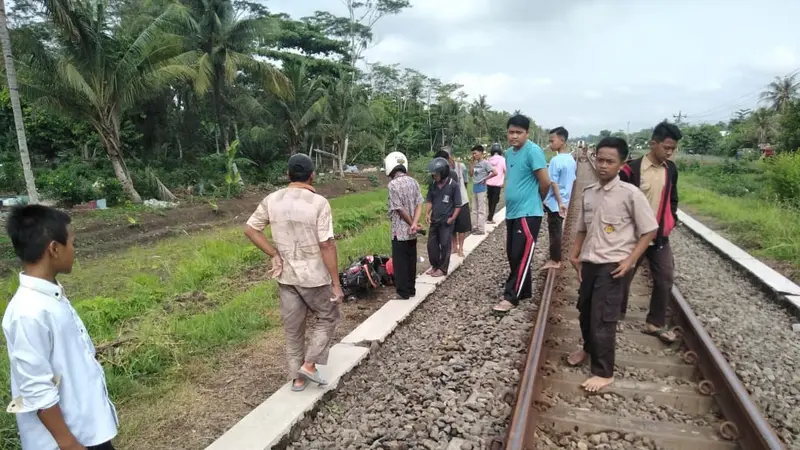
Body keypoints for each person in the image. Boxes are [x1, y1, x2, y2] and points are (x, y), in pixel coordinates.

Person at [3, 205, 119, 450]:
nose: (74, 250)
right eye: (72, 243)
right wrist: (68, 443)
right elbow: (36, 386)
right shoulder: (28, 312)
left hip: (86, 430)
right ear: (54, 249)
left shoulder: (50, 296)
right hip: (66, 442)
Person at [244, 153, 343, 392]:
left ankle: (297, 379)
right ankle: (309, 365)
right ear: (312, 176)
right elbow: (327, 244)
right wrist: (336, 283)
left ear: (288, 175)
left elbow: (250, 229)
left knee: (293, 327)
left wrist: (274, 253)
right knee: (328, 316)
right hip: (313, 276)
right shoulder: (319, 203)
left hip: (286, 275)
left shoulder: (272, 200)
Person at [567, 137, 659, 392]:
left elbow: (649, 230)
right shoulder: (590, 193)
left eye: (610, 161)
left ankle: (603, 372)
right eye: (601, 159)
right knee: (585, 310)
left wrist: (630, 261)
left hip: (613, 266)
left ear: (622, 163)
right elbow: (582, 229)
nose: (604, 165)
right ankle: (587, 348)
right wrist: (575, 255)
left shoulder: (630, 194)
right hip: (590, 262)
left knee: (603, 317)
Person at [618, 121, 683, 343]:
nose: (670, 152)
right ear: (653, 143)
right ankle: (615, 317)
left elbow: (673, 198)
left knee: (665, 278)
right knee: (623, 277)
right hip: (632, 238)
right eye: (666, 147)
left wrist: (670, 219)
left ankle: (655, 322)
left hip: (659, 237)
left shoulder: (671, 170)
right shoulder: (631, 169)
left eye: (673, 148)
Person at [493, 114, 552, 313]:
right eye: (511, 132)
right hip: (512, 213)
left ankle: (511, 296)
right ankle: (524, 290)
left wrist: (538, 200)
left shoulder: (533, 151)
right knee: (513, 253)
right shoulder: (508, 153)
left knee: (521, 254)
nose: (514, 136)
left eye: (519, 132)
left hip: (528, 213)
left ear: (527, 133)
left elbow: (545, 182)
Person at [385, 151, 423, 300]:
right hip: (412, 230)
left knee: (400, 261)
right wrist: (414, 223)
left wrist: (410, 223)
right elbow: (419, 203)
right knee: (411, 259)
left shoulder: (392, 185)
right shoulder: (414, 181)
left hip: (399, 230)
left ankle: (403, 292)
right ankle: (411, 288)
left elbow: (399, 209)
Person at [541, 127, 576, 270]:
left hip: (556, 202)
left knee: (554, 231)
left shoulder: (556, 160)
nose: (550, 144)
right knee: (557, 229)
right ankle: (555, 258)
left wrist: (559, 202)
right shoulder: (571, 159)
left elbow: (553, 182)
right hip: (564, 200)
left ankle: (555, 260)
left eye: (552, 140)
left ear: (562, 141)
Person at [424, 156, 462, 277]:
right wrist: (427, 213)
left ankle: (442, 268)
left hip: (447, 221)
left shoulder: (453, 185)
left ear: (444, 173)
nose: (434, 177)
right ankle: (434, 265)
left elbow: (458, 205)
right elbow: (430, 201)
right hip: (435, 220)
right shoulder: (433, 185)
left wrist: (452, 218)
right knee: (431, 245)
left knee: (445, 245)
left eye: (436, 174)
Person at [436, 149, 471, 257]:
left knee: (462, 226)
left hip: (462, 201)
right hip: (449, 202)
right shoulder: (441, 170)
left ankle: (461, 248)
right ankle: (454, 246)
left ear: (449, 157)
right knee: (451, 225)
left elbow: (465, 182)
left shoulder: (461, 167)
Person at [469, 144, 498, 234]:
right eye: (473, 153)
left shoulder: (485, 163)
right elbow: (470, 174)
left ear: (481, 153)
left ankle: (481, 229)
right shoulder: (475, 163)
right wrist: (472, 164)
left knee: (481, 209)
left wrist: (486, 179)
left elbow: (495, 172)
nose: (474, 155)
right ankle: (474, 227)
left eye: (475, 153)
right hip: (475, 187)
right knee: (474, 209)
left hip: (481, 187)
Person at [486, 143, 506, 224]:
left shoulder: (488, 160)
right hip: (497, 184)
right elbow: (506, 170)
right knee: (495, 201)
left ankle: (489, 216)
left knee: (490, 200)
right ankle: (490, 218)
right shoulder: (502, 159)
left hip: (489, 183)